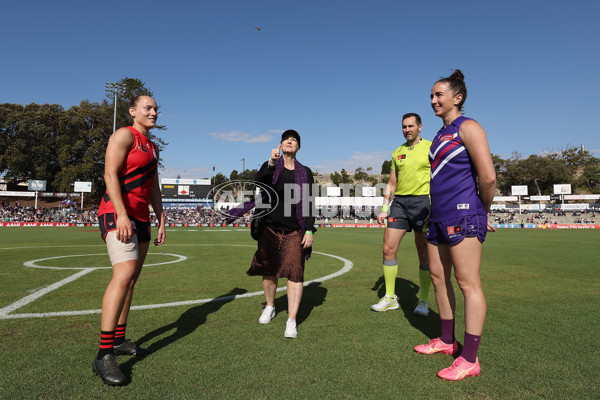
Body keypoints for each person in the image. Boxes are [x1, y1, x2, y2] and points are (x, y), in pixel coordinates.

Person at [413, 70, 496, 381]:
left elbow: (487, 178)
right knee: (437, 278)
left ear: (457, 98)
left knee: (467, 284)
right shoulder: (439, 134)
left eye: (439, 95)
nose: (433, 100)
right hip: (437, 217)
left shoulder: (469, 127)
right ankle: (447, 342)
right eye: (432, 96)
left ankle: (470, 359)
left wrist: (481, 212)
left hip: (464, 216)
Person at [93, 95, 166, 386]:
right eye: (147, 108)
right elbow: (110, 173)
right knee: (123, 275)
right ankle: (103, 354)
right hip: (116, 212)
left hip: (141, 217)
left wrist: (161, 220)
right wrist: (121, 214)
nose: (153, 112)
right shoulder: (124, 135)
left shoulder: (152, 146)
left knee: (132, 279)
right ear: (133, 111)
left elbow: (154, 188)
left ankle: (120, 340)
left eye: (155, 109)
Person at [247, 130, 316, 338]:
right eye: (287, 138)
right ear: (280, 144)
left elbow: (310, 202)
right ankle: (270, 306)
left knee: (296, 273)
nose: (290, 141)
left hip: (295, 229)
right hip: (269, 227)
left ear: (298, 147)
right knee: (269, 271)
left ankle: (291, 320)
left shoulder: (305, 172)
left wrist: (310, 230)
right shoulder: (271, 166)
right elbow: (259, 182)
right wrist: (270, 161)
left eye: (294, 139)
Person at [371, 113, 432, 316]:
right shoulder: (398, 152)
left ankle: (423, 299)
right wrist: (384, 208)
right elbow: (391, 183)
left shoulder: (431, 148)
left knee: (423, 252)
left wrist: (436, 206)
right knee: (388, 248)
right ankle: (390, 297)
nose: (407, 130)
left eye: (411, 126)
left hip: (423, 203)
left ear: (420, 127)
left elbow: (440, 178)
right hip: (399, 204)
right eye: (404, 126)